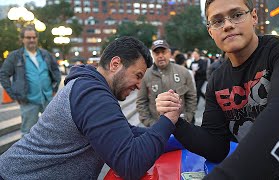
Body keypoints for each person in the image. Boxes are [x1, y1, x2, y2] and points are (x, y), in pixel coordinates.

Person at [155, 0, 279, 179]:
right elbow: (216, 147)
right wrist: (176, 122)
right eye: (217, 21)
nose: (227, 25)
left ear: (254, 17)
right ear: (210, 31)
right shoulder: (217, 80)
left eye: (237, 15)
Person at [0, 36, 181, 180]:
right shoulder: (92, 94)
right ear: (115, 64)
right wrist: (167, 120)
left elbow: (128, 133)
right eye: (138, 75)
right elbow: (130, 164)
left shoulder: (90, 87)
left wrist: (179, 139)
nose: (139, 86)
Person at [0, 26, 61, 135]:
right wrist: (14, 94)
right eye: (28, 37)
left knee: (53, 130)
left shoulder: (45, 54)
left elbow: (56, 70)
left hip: (47, 98)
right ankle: (27, 153)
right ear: (22, 39)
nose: (32, 40)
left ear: (37, 38)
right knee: (28, 133)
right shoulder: (15, 56)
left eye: (34, 37)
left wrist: (55, 87)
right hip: (28, 101)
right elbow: (3, 75)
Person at [136, 39, 197, 126]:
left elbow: (191, 97)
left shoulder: (183, 72)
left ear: (169, 53)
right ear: (152, 55)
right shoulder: (146, 75)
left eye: (163, 52)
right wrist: (150, 123)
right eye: (157, 53)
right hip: (156, 127)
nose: (160, 56)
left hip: (182, 125)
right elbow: (141, 101)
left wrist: (188, 117)